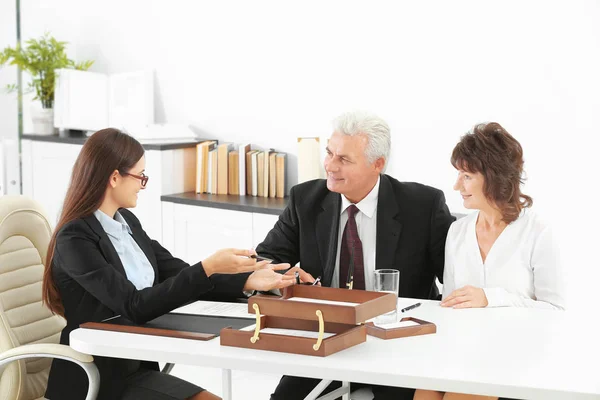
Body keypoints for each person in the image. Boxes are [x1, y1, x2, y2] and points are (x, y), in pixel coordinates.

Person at [42, 128, 295, 400]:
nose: (142, 184)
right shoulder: (75, 239)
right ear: (115, 177)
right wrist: (207, 267)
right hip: (98, 376)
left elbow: (178, 273)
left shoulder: (127, 224)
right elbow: (133, 305)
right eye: (140, 176)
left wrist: (247, 279)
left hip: (136, 364)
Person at [250, 111, 455, 400]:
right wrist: (281, 277)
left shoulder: (423, 205)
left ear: (378, 164)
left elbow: (455, 280)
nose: (330, 166)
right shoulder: (305, 200)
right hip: (328, 335)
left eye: (344, 159)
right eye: (329, 153)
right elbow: (264, 259)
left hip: (397, 342)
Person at [414, 122, 565, 400]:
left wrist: (489, 297)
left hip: (515, 357)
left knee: (463, 394)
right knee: (425, 392)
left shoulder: (538, 232)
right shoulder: (457, 232)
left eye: (467, 176)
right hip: (463, 352)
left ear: (494, 177)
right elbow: (451, 304)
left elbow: (555, 310)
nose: (456, 185)